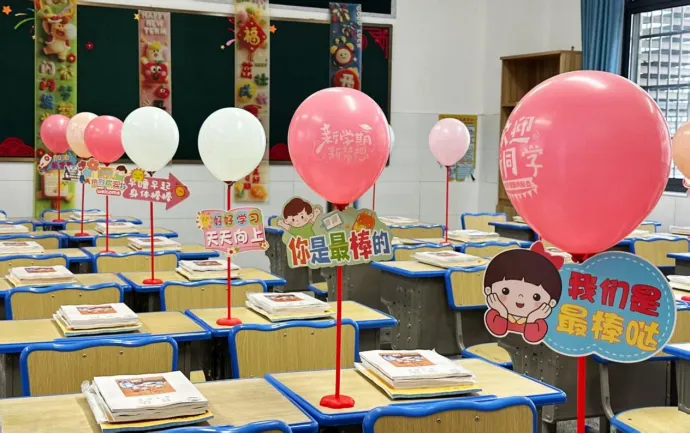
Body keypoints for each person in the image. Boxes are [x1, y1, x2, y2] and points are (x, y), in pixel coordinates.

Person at [483, 241, 563, 344]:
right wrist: (502, 312)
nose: (520, 298)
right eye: (505, 291)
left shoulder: (539, 321)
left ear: (551, 302)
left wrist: (532, 318)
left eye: (536, 297)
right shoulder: (495, 313)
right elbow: (497, 331)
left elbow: (532, 338)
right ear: (489, 290)